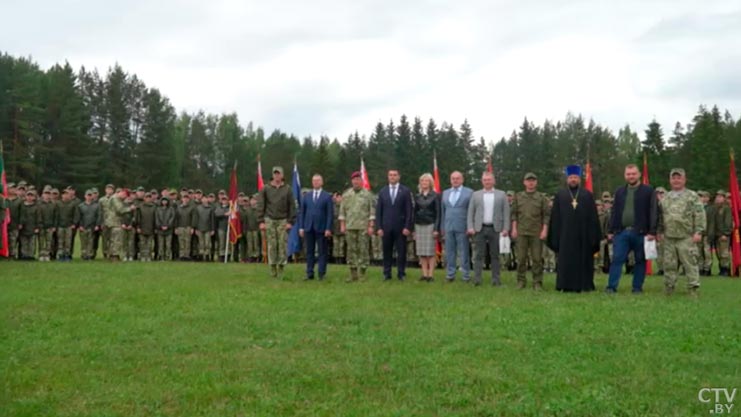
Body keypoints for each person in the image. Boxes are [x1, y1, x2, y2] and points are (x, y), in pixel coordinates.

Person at [546, 165, 601, 292]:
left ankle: (585, 285)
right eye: (571, 177)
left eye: (575, 177)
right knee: (566, 261)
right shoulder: (560, 195)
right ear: (567, 179)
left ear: (579, 179)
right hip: (565, 236)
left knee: (584, 260)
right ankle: (564, 285)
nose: (573, 180)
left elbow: (593, 217)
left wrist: (593, 237)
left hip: (583, 236)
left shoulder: (587, 195)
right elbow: (555, 218)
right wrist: (555, 237)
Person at [605, 164, 658, 294]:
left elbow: (654, 211)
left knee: (640, 260)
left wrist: (652, 231)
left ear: (639, 174)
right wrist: (611, 230)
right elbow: (614, 211)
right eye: (628, 174)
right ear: (625, 176)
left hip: (641, 232)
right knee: (617, 259)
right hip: (621, 232)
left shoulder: (648, 191)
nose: (631, 176)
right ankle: (611, 287)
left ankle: (637, 287)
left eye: (633, 174)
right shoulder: (619, 192)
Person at [657, 168, 705, 297]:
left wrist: (698, 232)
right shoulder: (665, 197)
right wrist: (660, 231)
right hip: (669, 237)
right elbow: (661, 216)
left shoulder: (692, 196)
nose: (676, 180)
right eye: (674, 178)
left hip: (686, 236)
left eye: (679, 178)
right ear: (670, 180)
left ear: (684, 179)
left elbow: (699, 214)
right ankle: (669, 288)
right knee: (669, 264)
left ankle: (693, 289)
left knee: (690, 263)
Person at [467, 171, 510, 286]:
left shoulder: (502, 194)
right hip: (479, 229)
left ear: (493, 181)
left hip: (496, 229)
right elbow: (470, 212)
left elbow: (506, 213)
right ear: (482, 181)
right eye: (485, 180)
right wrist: (470, 227)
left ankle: (496, 280)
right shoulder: (475, 195)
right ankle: (477, 280)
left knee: (495, 255)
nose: (487, 182)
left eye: (489, 179)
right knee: (478, 255)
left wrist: (506, 228)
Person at [511, 172, 549, 290]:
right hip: (521, 231)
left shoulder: (542, 198)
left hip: (536, 232)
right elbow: (514, 215)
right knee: (521, 258)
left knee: (537, 259)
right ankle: (521, 281)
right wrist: (514, 229)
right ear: (524, 182)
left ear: (536, 182)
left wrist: (544, 230)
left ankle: (537, 282)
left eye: (533, 180)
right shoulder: (518, 197)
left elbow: (546, 216)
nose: (531, 182)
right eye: (528, 180)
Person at [257, 166, 296, 278]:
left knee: (282, 244)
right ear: (272, 175)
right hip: (270, 219)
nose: (277, 176)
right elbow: (261, 205)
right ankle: (272, 267)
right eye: (275, 174)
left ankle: (281, 267)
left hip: (283, 220)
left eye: (279, 174)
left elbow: (292, 207)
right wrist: (261, 221)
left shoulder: (287, 189)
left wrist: (290, 221)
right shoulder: (266, 188)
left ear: (282, 175)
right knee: (272, 244)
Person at [376, 169, 414, 281]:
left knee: (401, 251)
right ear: (388, 177)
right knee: (386, 251)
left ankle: (401, 273)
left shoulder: (405, 191)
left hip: (401, 227)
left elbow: (409, 211)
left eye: (394, 175)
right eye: (390, 175)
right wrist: (379, 227)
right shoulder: (383, 191)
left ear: (399, 177)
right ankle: (386, 273)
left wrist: (408, 226)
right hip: (386, 226)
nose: (392, 177)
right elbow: (379, 211)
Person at [339, 172, 376, 282]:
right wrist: (342, 225)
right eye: (354, 179)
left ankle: (362, 273)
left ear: (362, 181)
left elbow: (372, 211)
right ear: (352, 181)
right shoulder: (346, 195)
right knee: (351, 250)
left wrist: (371, 225)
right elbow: (342, 211)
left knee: (363, 250)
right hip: (350, 226)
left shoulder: (368, 195)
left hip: (363, 227)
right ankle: (353, 273)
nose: (356, 181)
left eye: (358, 179)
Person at [299, 174, 334, 281]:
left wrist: (328, 228)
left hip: (322, 228)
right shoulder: (307, 196)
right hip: (309, 227)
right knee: (309, 251)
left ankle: (321, 273)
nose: (316, 182)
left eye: (318, 181)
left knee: (322, 252)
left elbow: (330, 214)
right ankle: (309, 272)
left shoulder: (327, 196)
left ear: (322, 182)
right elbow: (302, 213)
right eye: (314, 181)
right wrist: (301, 227)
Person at [440, 171, 473, 282]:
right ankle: (450, 274)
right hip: (448, 226)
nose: (455, 180)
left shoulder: (469, 192)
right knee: (449, 252)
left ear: (462, 180)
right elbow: (443, 212)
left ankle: (466, 275)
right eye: (453, 178)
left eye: (457, 178)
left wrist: (470, 226)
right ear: (450, 180)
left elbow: (471, 211)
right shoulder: (445, 193)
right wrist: (442, 227)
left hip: (463, 226)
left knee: (464, 252)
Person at [413, 173, 441, 282]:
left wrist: (436, 229)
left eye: (426, 181)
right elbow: (414, 213)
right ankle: (424, 274)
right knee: (422, 252)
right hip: (419, 225)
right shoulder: (417, 196)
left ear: (430, 183)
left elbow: (438, 213)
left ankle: (431, 275)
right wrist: (413, 229)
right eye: (422, 181)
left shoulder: (435, 195)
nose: (424, 183)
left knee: (430, 252)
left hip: (430, 225)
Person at [708, 190, 733, 276]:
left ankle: (726, 269)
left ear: (724, 198)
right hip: (716, 234)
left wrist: (725, 233)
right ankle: (721, 268)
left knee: (724, 253)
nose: (718, 198)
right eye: (717, 197)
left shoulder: (726, 208)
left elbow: (728, 222)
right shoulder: (714, 208)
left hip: (723, 235)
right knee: (718, 253)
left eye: (720, 197)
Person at [75, 190, 101, 260]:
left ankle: (89, 255)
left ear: (92, 196)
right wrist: (80, 225)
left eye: (90, 195)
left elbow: (98, 216)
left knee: (91, 242)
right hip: (83, 227)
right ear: (85, 196)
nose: (89, 197)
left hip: (92, 227)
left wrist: (97, 225)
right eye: (87, 195)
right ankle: (84, 255)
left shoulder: (96, 206)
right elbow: (78, 217)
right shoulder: (80, 206)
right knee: (83, 242)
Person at [56, 188, 78, 261]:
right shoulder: (58, 203)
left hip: (69, 225)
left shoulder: (73, 204)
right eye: (64, 194)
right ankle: (60, 255)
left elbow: (76, 214)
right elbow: (56, 215)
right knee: (60, 241)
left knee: (68, 242)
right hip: (60, 225)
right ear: (62, 195)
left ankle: (67, 255)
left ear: (70, 195)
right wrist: (56, 225)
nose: (65, 196)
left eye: (67, 194)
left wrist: (74, 223)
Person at [135, 192, 157, 262]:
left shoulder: (154, 207)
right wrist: (138, 227)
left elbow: (155, 218)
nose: (148, 198)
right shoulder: (140, 206)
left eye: (149, 197)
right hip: (142, 228)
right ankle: (142, 256)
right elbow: (138, 217)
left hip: (151, 228)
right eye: (146, 197)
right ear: (144, 198)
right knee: (142, 244)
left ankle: (149, 256)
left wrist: (155, 227)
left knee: (149, 244)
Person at [38, 187, 58, 262]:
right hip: (41, 226)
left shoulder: (53, 204)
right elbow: (38, 216)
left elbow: (55, 216)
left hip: (50, 226)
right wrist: (39, 225)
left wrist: (54, 226)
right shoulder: (39, 204)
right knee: (41, 241)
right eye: (46, 193)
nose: (47, 195)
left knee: (49, 242)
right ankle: (41, 255)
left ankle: (47, 255)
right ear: (42, 195)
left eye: (49, 194)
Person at [175, 192, 196, 260]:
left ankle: (186, 255)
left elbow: (193, 218)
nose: (185, 199)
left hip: (188, 227)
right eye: (184, 198)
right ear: (182, 199)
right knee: (181, 241)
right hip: (180, 227)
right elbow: (176, 218)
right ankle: (181, 255)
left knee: (187, 242)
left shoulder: (191, 208)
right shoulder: (178, 208)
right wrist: (176, 228)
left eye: (187, 198)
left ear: (188, 199)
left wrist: (192, 227)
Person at [155, 196, 176, 261]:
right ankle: (161, 256)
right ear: (161, 202)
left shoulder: (171, 209)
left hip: (169, 230)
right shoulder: (158, 209)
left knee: (168, 244)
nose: (164, 202)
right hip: (160, 229)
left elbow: (172, 218)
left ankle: (167, 256)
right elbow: (157, 218)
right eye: (163, 201)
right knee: (160, 244)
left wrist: (168, 226)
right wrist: (160, 226)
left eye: (166, 201)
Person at [331, 192, 345, 264]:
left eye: (340, 197)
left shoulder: (344, 207)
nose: (339, 199)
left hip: (342, 228)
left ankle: (341, 259)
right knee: (336, 245)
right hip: (335, 228)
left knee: (341, 245)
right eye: (337, 197)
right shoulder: (333, 207)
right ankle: (336, 259)